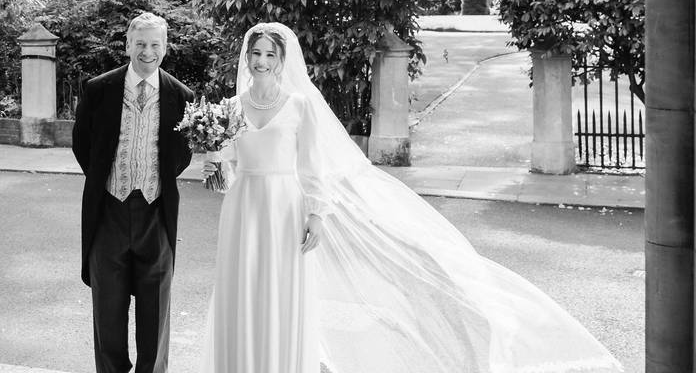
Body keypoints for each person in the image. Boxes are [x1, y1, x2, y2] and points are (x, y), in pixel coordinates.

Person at [200, 22, 623, 373]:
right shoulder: (231, 108)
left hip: (284, 206)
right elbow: (230, 161)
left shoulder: (299, 106)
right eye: (255, 53)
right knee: (242, 287)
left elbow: (313, 166)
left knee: (280, 291)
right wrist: (215, 164)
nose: (260, 61)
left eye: (269, 55)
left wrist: (317, 214)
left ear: (281, 61)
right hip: (243, 208)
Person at [72, 12, 194, 373]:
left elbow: (182, 155)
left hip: (155, 214)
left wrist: (153, 181)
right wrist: (110, 180)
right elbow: (84, 145)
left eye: (155, 44)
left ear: (165, 48)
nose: (147, 51)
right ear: (127, 45)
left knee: (155, 314)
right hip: (108, 211)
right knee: (107, 311)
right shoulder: (99, 89)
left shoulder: (181, 96)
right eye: (140, 43)